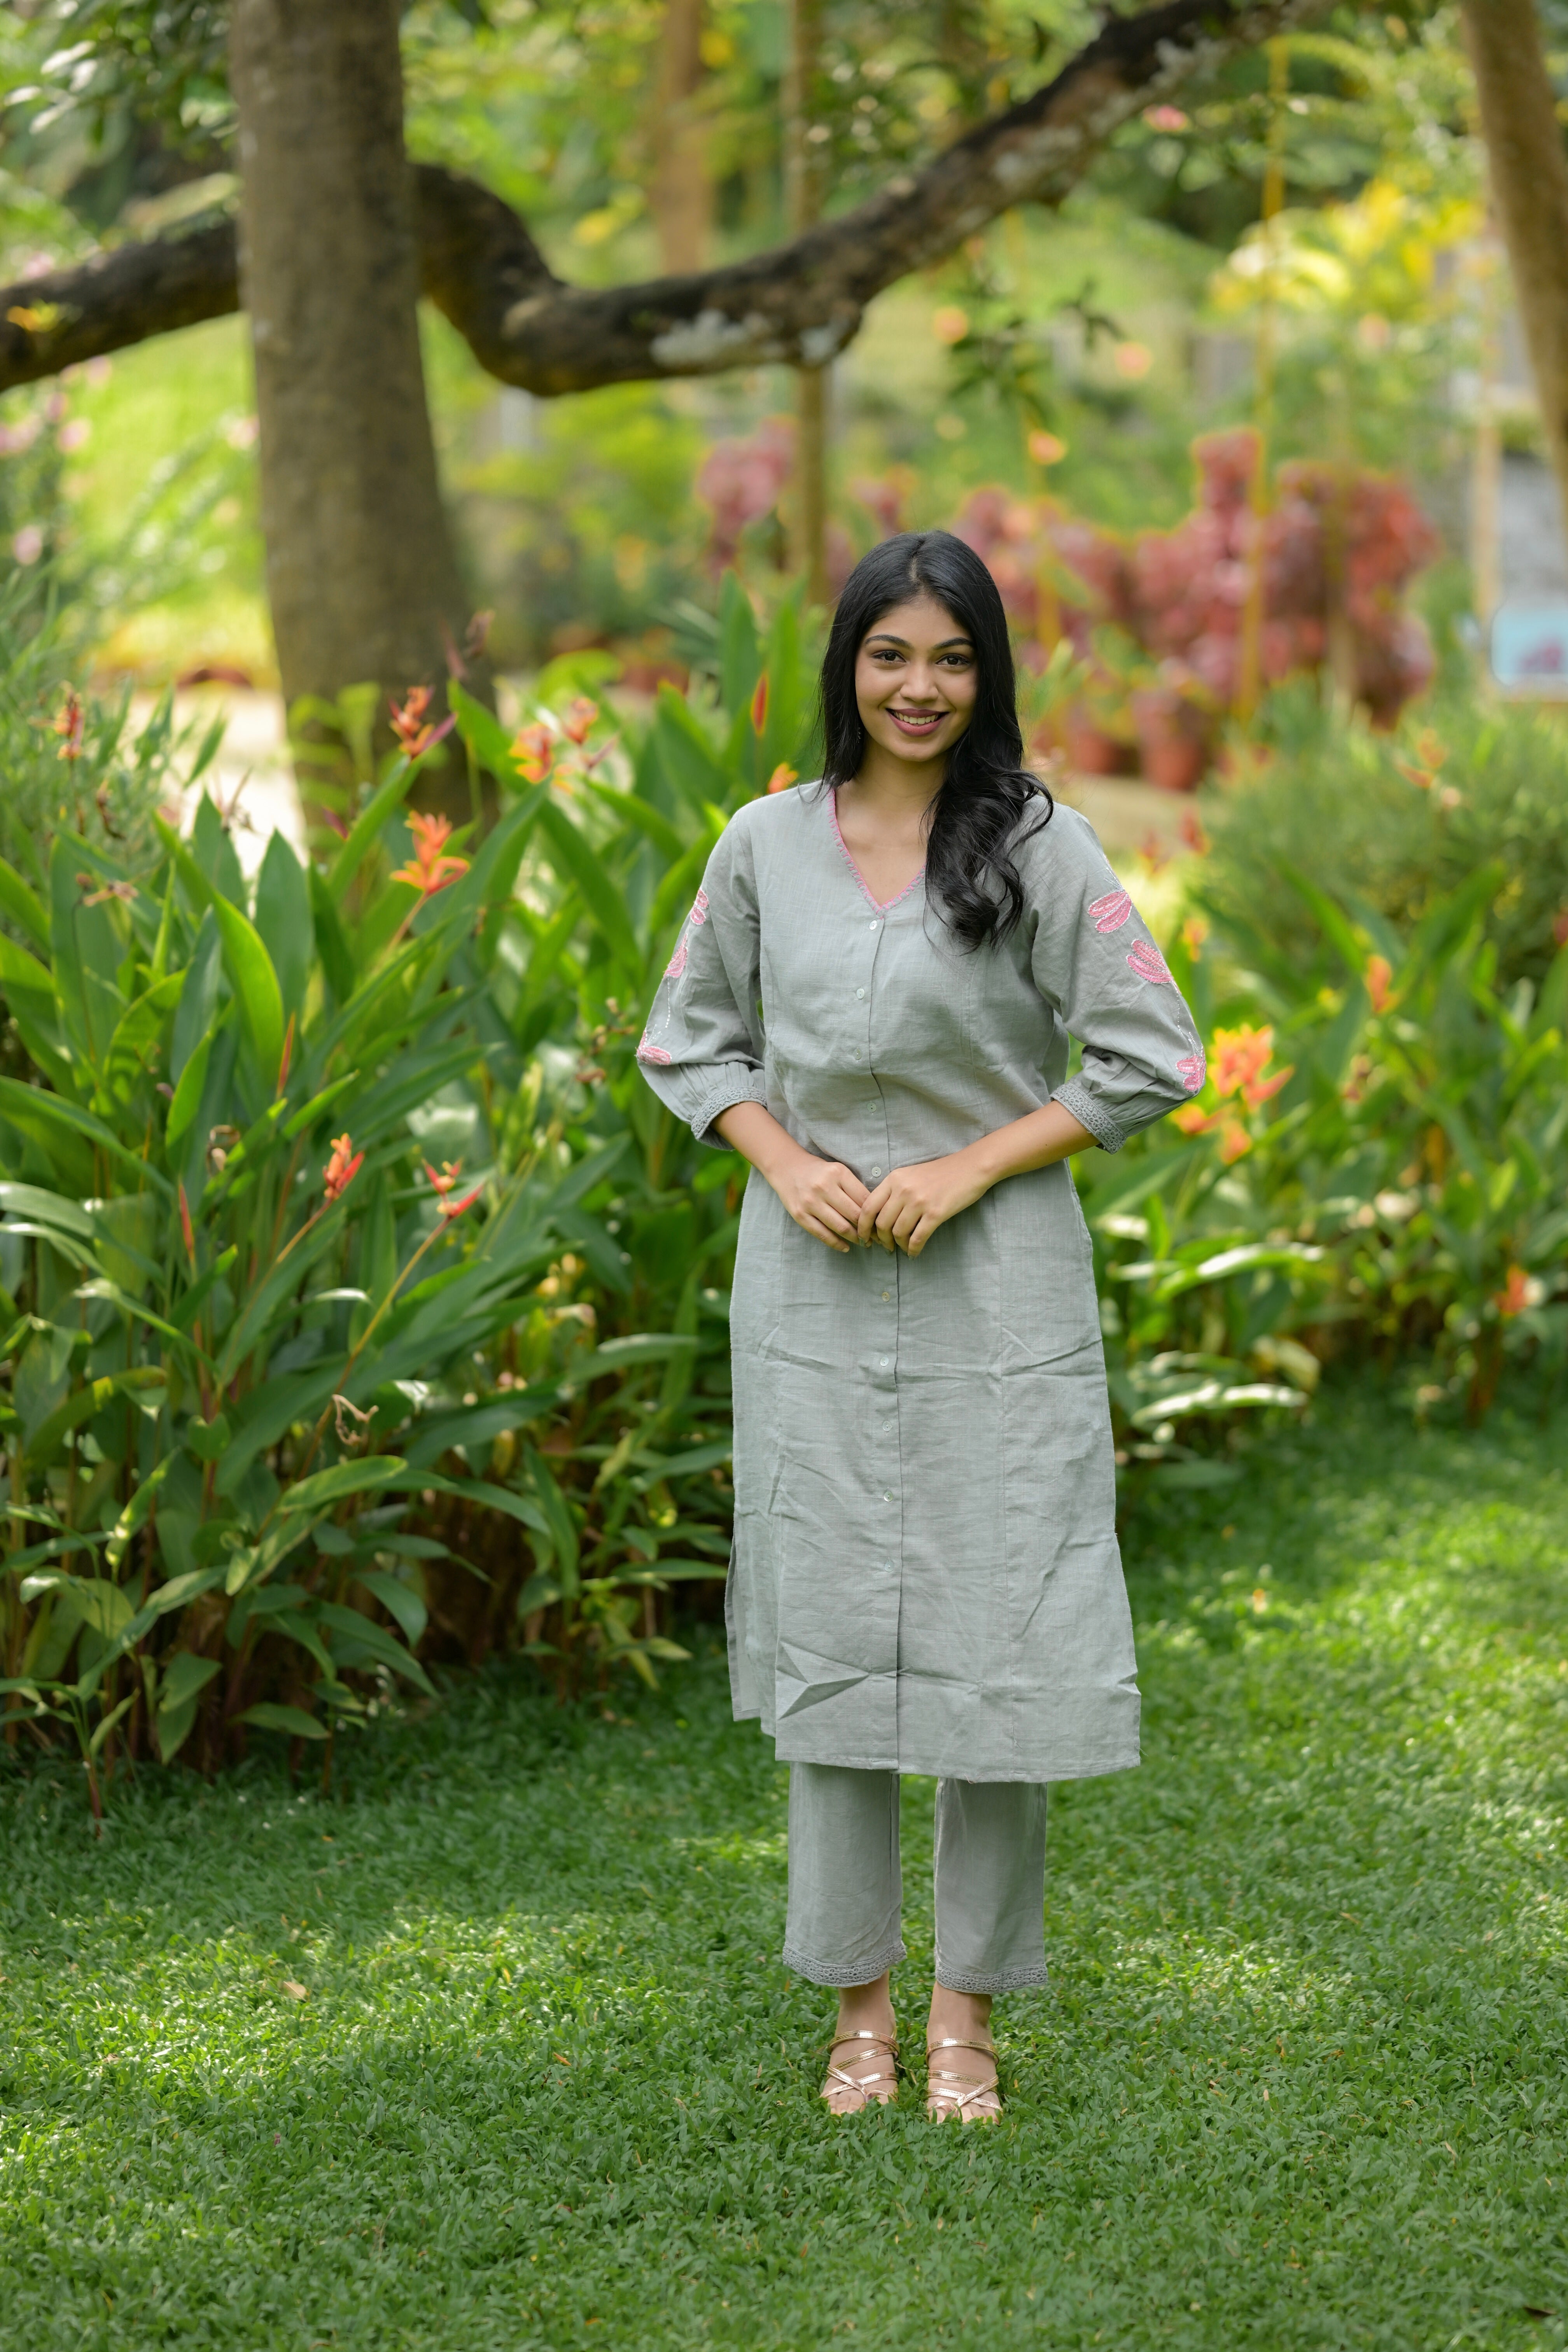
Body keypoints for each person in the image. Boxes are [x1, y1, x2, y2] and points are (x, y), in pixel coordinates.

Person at [636, 531, 1203, 2119]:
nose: (920, 686)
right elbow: (690, 1044)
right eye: (892, 654)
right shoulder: (763, 845)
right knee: (833, 1633)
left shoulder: (1041, 846)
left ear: (987, 675)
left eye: (952, 658)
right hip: (809, 1287)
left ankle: (965, 2013)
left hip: (997, 1283)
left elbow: (1152, 1055)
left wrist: (965, 1166)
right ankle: (858, 2012)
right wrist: (788, 1161)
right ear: (847, 665)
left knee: (995, 1635)